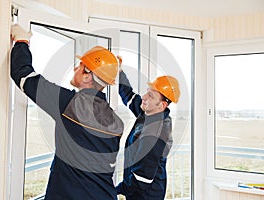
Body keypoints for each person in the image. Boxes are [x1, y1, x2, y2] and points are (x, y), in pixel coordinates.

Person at [10, 24, 124, 200]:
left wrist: (22, 41)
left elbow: (24, 76)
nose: (75, 69)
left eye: (80, 66)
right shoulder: (117, 122)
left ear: (87, 76)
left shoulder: (70, 104)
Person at [116, 57, 180, 200]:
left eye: (150, 95)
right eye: (147, 91)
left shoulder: (155, 133)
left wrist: (115, 190)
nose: (144, 97)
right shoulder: (150, 113)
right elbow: (129, 96)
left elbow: (142, 179)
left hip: (146, 195)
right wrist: (119, 71)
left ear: (163, 105)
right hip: (138, 191)